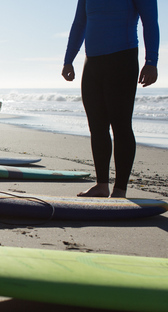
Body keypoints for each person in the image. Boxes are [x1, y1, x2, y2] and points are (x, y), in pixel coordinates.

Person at [62, 0, 159, 198]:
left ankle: (120, 189)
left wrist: (151, 61)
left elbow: (150, 21)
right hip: (93, 63)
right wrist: (68, 60)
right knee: (97, 126)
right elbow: (80, 23)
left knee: (121, 125)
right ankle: (101, 185)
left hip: (122, 59)